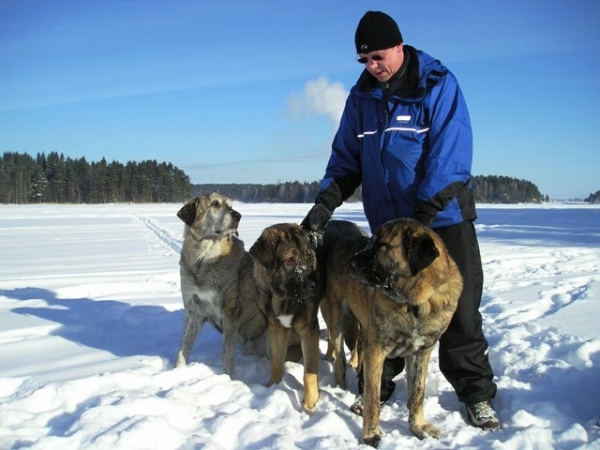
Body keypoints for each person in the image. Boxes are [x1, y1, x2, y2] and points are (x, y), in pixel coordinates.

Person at [301, 10, 501, 430]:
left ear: (398, 46)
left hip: (441, 221)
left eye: (377, 57)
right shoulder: (361, 99)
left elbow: (450, 156)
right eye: (364, 61)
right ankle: (381, 388)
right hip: (391, 228)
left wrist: (423, 217)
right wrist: (325, 205)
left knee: (459, 312)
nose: (372, 67)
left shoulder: (436, 83)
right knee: (385, 311)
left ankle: (476, 394)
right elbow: (346, 160)